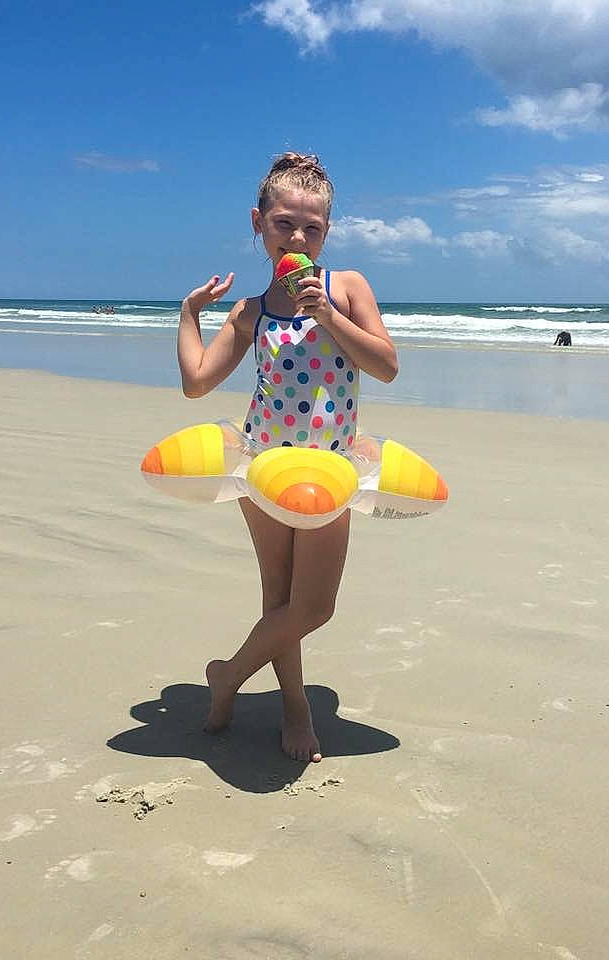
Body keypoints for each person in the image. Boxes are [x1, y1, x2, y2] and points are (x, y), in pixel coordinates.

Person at [176, 153, 398, 762]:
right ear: (259, 224)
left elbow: (385, 366)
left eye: (312, 227)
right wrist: (189, 316)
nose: (297, 237)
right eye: (283, 224)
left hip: (332, 468)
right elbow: (197, 382)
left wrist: (327, 314)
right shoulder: (251, 312)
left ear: (328, 230)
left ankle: (229, 676)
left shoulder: (346, 288)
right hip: (265, 466)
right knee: (279, 597)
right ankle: (295, 705)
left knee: (314, 606)